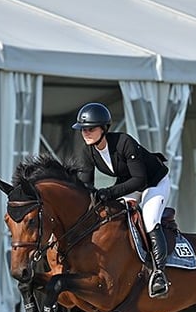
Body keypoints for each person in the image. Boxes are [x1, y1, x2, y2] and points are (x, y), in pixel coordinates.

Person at [72, 102, 171, 298]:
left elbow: (140, 179)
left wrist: (108, 192)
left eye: (90, 129)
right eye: (83, 129)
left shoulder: (124, 142)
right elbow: (85, 185)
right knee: (113, 216)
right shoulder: (88, 151)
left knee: (150, 219)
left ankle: (160, 274)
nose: (86, 133)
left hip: (154, 182)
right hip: (129, 183)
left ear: (104, 128)